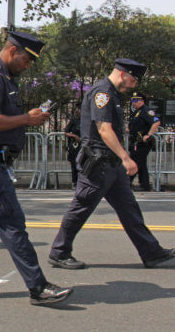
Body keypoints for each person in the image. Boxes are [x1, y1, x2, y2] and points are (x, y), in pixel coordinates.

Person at [0, 31, 73, 305]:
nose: (28, 65)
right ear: (12, 50)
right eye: (27, 59)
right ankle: (38, 287)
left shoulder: (4, 77)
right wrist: (26, 119)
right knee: (12, 223)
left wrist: (27, 119)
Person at [49, 59, 174, 270]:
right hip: (98, 163)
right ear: (124, 74)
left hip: (110, 164)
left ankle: (151, 253)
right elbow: (104, 129)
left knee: (129, 209)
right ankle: (59, 252)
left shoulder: (112, 94)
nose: (134, 85)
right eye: (133, 80)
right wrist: (126, 157)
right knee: (81, 208)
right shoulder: (102, 93)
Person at [127, 92, 159, 191]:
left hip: (143, 142)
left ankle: (126, 183)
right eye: (132, 100)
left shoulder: (146, 111)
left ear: (142, 101)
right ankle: (145, 185)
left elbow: (156, 122)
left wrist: (148, 135)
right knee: (141, 164)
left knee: (135, 162)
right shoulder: (136, 112)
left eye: (135, 100)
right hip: (135, 142)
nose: (133, 102)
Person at [64, 108, 81, 188]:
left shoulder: (88, 120)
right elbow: (66, 132)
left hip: (85, 145)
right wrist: (75, 136)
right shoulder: (74, 120)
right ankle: (74, 181)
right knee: (74, 163)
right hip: (75, 145)